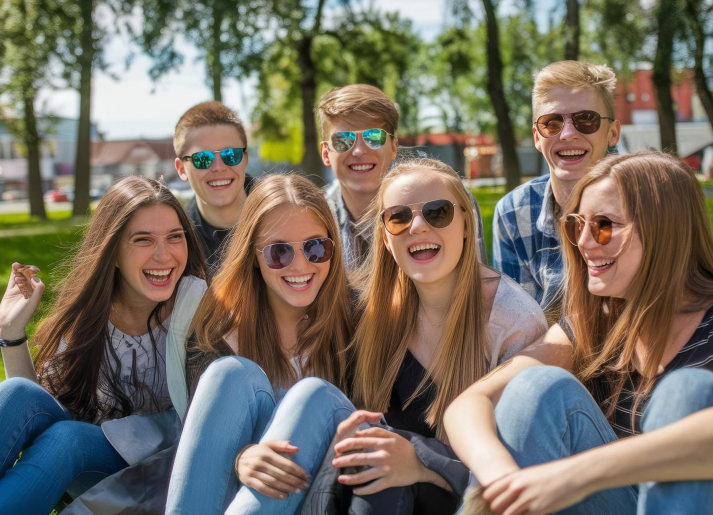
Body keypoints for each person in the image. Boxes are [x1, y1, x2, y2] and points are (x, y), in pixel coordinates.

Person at [445, 152, 713, 515]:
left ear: (662, 232)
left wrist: (577, 475)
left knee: (689, 392)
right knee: (533, 387)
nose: (584, 243)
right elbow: (468, 405)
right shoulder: (596, 324)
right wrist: (506, 481)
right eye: (578, 225)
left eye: (604, 225)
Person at [222, 158, 547, 515]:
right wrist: (241, 455)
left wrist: (424, 463)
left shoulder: (511, 319)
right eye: (399, 217)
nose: (418, 227)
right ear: (386, 238)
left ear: (467, 224)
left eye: (437, 212)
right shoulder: (371, 314)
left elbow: (529, 463)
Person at [0, 177, 208, 515]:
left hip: (170, 471)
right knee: (17, 396)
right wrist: (11, 332)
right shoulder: (89, 316)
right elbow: (43, 410)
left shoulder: (201, 308)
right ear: (112, 252)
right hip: (93, 465)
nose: (164, 255)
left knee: (68, 438)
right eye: (143, 240)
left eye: (175, 237)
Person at [164, 173, 354, 515]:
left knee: (312, 393)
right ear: (252, 255)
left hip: (329, 486)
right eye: (279, 252)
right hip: (245, 495)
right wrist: (240, 457)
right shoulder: (219, 329)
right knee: (229, 373)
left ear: (333, 247)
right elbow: (209, 438)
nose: (300, 265)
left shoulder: (357, 319)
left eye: (316, 247)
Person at [492, 61, 621, 312]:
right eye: (552, 123)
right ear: (537, 137)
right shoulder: (513, 214)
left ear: (612, 133)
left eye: (586, 119)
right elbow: (520, 325)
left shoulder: (647, 202)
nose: (567, 134)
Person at [317, 84, 487, 270]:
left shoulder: (449, 204)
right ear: (326, 153)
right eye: (343, 140)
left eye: (374, 137)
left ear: (394, 147)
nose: (358, 150)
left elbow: (474, 285)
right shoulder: (313, 218)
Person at [173, 101, 256, 272]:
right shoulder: (178, 245)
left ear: (245, 159)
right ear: (182, 169)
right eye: (203, 159)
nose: (219, 167)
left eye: (231, 155)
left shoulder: (284, 214)